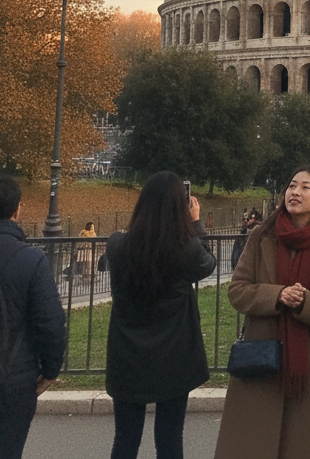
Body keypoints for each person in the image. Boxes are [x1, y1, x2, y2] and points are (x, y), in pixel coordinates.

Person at [214, 167, 310, 459]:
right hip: (261, 356)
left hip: (306, 364)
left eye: (305, 187)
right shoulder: (261, 236)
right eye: (291, 186)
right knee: (251, 445)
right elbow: (237, 290)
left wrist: (304, 302)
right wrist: (277, 294)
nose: (295, 192)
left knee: (297, 446)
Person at [106, 171, 217, 459]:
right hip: (173, 355)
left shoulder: (117, 244)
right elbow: (207, 263)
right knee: (169, 438)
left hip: (127, 353)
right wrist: (195, 222)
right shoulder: (186, 249)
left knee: (125, 438)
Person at [0, 175, 66, 459]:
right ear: (17, 210)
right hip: (12, 378)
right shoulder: (30, 259)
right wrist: (49, 370)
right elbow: (50, 322)